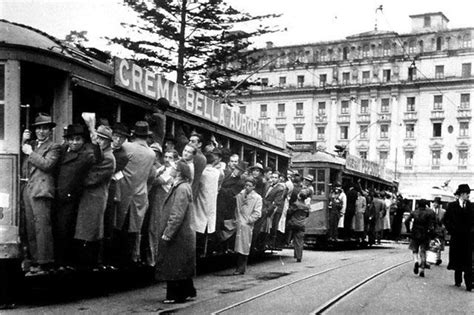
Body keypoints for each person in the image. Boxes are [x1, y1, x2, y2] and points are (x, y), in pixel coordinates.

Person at [20, 113, 61, 275]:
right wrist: (24, 143)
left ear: (50, 131)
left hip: (42, 190)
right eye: (39, 129)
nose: (42, 132)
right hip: (29, 190)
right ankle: (36, 260)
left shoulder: (54, 146)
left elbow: (47, 165)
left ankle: (45, 262)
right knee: (31, 227)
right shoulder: (32, 145)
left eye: (45, 128)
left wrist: (29, 152)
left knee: (42, 227)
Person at [54, 124, 98, 269]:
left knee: (65, 231)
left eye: (78, 139)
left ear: (83, 141)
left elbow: (97, 157)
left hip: (69, 198)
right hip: (56, 195)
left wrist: (95, 141)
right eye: (71, 139)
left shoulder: (86, 155)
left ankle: (64, 262)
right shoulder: (62, 151)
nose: (74, 142)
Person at [74, 125, 116, 269]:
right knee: (87, 235)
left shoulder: (108, 158)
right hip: (90, 199)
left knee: (89, 236)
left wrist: (76, 176)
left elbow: (91, 179)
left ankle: (89, 270)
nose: (98, 141)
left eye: (102, 139)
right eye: (97, 137)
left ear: (109, 142)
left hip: (94, 200)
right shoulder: (101, 154)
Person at [155, 160, 196, 303]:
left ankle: (174, 296)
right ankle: (187, 292)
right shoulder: (181, 186)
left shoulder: (181, 188)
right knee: (180, 265)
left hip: (178, 235)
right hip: (182, 234)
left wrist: (168, 232)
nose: (170, 169)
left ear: (178, 171)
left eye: (172, 167)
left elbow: (177, 214)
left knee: (173, 264)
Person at [115, 121, 155, 265]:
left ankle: (117, 261)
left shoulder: (126, 147)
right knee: (133, 231)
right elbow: (152, 176)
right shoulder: (151, 154)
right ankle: (129, 261)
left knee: (118, 229)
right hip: (140, 196)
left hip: (123, 193)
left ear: (133, 134)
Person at [443, 184, 473, 291]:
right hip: (456, 237)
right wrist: (451, 230)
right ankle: (458, 280)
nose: (468, 196)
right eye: (466, 194)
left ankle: (469, 284)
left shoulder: (471, 206)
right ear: (461, 194)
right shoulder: (452, 206)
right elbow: (445, 220)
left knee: (468, 260)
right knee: (457, 258)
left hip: (468, 238)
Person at [192, 152, 220, 257]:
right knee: (207, 225)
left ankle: (198, 250)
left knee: (198, 223)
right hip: (211, 201)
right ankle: (204, 250)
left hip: (201, 199)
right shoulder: (217, 173)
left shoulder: (203, 173)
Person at [234, 177, 262, 274]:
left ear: (254, 187)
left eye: (250, 186)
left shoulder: (257, 198)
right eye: (246, 185)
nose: (247, 187)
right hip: (238, 222)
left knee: (244, 246)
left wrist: (249, 220)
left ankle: (241, 268)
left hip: (246, 224)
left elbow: (257, 213)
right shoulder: (240, 194)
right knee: (238, 246)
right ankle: (239, 267)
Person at [405, 199, 436, 278]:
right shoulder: (430, 212)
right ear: (426, 205)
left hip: (415, 232)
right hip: (425, 233)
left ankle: (416, 261)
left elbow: (406, 221)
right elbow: (433, 224)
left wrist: (408, 230)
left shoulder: (414, 212)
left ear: (418, 205)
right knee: (423, 250)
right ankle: (422, 268)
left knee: (414, 249)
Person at [286, 189, 310, 262]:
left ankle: (287, 240)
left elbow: (289, 212)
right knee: (299, 240)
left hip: (293, 223)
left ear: (299, 196)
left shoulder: (295, 204)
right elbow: (307, 215)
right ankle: (298, 256)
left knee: (289, 231)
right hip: (301, 224)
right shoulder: (306, 207)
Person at [188, 132, 206, 200]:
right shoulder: (202, 157)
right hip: (193, 191)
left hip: (189, 189)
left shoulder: (196, 156)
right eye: (189, 141)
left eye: (192, 141)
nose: (189, 143)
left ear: (199, 144)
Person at [432, 197, 447, 265]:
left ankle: (438, 258)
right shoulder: (430, 211)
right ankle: (434, 258)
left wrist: (444, 227)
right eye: (434, 203)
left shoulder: (443, 212)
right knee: (432, 244)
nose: (435, 204)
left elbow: (445, 221)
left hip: (440, 230)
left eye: (436, 203)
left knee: (439, 244)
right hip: (432, 229)